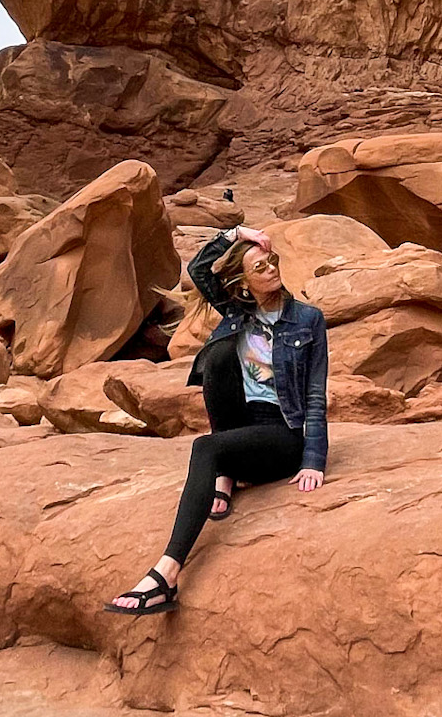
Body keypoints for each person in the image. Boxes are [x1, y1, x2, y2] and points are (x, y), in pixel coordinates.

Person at [104, 223, 328, 615]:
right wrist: (238, 233)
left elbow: (314, 392)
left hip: (282, 435)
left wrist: (313, 459)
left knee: (205, 447)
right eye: (260, 267)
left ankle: (166, 574)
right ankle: (223, 473)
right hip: (240, 425)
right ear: (244, 286)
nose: (271, 270)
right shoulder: (237, 312)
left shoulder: (308, 320)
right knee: (220, 357)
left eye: (272, 262)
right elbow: (200, 270)